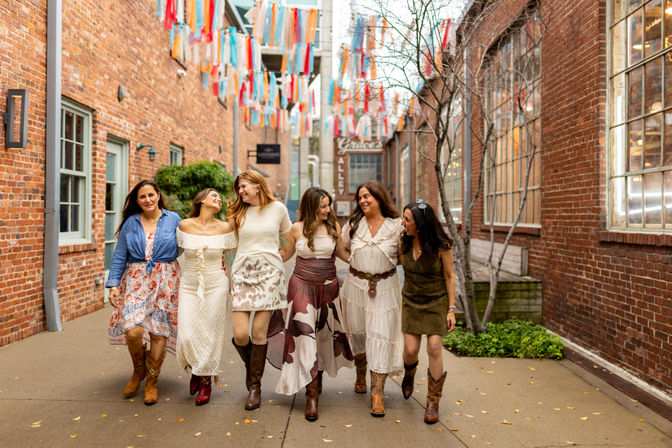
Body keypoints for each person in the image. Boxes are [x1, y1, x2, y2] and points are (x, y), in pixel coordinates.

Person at [275, 187, 353, 421]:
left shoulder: (333, 227)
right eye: (323, 206)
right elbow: (286, 255)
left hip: (328, 288)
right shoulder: (296, 229)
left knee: (322, 336)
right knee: (306, 336)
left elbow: (343, 254)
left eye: (328, 204)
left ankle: (315, 376)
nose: (327, 209)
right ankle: (311, 395)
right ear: (311, 207)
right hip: (300, 286)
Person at [107, 179, 181, 406]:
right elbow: (120, 254)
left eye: (151, 195)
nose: (147, 200)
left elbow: (192, 244)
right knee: (132, 331)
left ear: (158, 195)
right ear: (137, 201)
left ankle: (151, 381)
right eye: (142, 197)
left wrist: (216, 258)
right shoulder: (131, 222)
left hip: (166, 281)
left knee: (159, 332)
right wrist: (113, 284)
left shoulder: (174, 219)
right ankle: (139, 371)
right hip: (136, 280)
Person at [339, 180, 403, 417]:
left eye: (368, 196)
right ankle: (360, 371)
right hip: (355, 286)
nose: (363, 200)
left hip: (385, 287)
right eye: (360, 197)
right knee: (357, 333)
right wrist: (357, 264)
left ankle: (377, 393)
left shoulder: (396, 227)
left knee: (381, 336)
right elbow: (341, 248)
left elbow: (404, 257)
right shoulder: (354, 225)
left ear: (379, 197)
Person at [229, 170, 291, 410]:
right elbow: (230, 242)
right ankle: (252, 367)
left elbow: (290, 236)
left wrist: (285, 256)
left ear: (258, 185)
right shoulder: (237, 213)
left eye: (244, 186)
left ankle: (254, 387)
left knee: (258, 333)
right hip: (243, 274)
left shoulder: (278, 209)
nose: (241, 191)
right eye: (239, 188)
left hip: (269, 276)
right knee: (241, 334)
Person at [175, 188, 237, 406]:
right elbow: (174, 252)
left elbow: (233, 252)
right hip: (190, 284)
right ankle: (196, 367)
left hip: (216, 284)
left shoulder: (225, 227)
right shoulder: (184, 225)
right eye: (214, 196)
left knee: (210, 332)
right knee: (187, 334)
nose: (218, 199)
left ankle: (206, 380)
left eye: (219, 197)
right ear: (201, 200)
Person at [399, 199, 456, 424]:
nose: (403, 223)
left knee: (434, 347)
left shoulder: (442, 245)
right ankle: (409, 374)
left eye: (407, 220)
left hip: (436, 301)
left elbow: (449, 277)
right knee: (411, 351)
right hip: (411, 301)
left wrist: (451, 310)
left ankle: (433, 400)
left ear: (420, 224)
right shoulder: (403, 240)